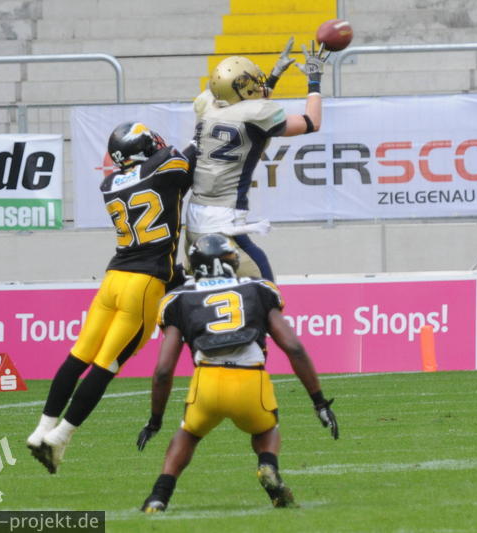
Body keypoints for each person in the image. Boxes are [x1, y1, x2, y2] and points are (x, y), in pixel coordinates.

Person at [26, 122, 195, 474]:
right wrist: (202, 134)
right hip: (143, 285)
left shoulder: (109, 184)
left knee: (79, 355)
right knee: (105, 365)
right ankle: (60, 438)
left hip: (113, 280)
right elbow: (184, 162)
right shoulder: (163, 165)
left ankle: (42, 428)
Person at [135, 233, 339, 512]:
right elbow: (294, 348)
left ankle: (158, 497)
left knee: (188, 434)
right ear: (230, 261)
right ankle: (267, 465)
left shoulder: (179, 298)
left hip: (206, 383)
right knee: (266, 430)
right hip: (250, 381)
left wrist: (155, 420)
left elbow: (162, 370)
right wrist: (319, 402)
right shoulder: (257, 288)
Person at [185, 39, 331, 281]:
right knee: (264, 288)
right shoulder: (255, 115)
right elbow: (311, 122)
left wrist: (274, 76)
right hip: (225, 219)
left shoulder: (206, 106)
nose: (258, 85)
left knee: (201, 289)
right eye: (253, 82)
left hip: (194, 218)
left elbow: (242, 106)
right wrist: (314, 80)